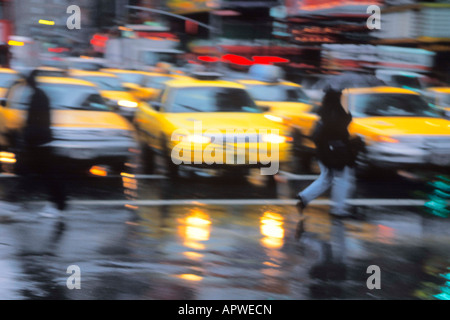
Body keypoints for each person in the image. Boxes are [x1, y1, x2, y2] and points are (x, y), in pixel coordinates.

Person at [296, 89, 361, 218]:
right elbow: (340, 128)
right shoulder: (336, 112)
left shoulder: (325, 111)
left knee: (327, 178)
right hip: (334, 151)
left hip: (325, 151)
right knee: (342, 179)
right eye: (341, 96)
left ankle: (304, 198)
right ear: (337, 98)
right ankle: (338, 209)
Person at [17, 69, 67, 217]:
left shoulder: (38, 96)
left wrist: (28, 139)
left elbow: (36, 121)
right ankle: (58, 204)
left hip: (39, 143)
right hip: (40, 142)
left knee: (43, 175)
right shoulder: (38, 95)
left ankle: (58, 205)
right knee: (43, 175)